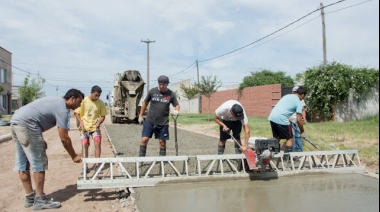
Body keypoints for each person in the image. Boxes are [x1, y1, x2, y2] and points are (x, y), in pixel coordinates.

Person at [10, 89, 84, 210]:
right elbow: (64, 138)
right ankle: (40, 200)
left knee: (22, 164)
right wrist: (74, 156)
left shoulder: (55, 101)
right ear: (72, 99)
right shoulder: (62, 109)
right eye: (79, 102)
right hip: (27, 125)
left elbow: (36, 116)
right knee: (39, 162)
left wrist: (38, 139)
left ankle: (30, 198)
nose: (79, 105)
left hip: (16, 123)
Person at [138, 75, 180, 157]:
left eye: (163, 84)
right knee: (144, 139)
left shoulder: (170, 94)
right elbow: (145, 103)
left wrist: (176, 110)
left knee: (162, 142)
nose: (161, 86)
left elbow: (177, 105)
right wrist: (140, 115)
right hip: (150, 120)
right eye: (159, 84)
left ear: (167, 84)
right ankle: (141, 159)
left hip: (163, 122)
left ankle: (162, 161)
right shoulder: (152, 91)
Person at [268, 86, 307, 159]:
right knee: (290, 138)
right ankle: (286, 158)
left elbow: (283, 107)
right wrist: (302, 131)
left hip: (272, 117)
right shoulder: (299, 102)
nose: (303, 98)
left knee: (277, 137)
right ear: (302, 95)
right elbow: (298, 120)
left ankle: (271, 155)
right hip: (282, 118)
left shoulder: (287, 96)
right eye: (303, 97)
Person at [74, 85, 107, 172]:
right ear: (91, 93)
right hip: (84, 127)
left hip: (95, 127)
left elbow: (103, 116)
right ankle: (85, 166)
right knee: (85, 145)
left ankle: (97, 164)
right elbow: (76, 113)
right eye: (96, 95)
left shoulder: (101, 103)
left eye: (99, 96)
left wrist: (99, 123)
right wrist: (80, 122)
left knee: (97, 143)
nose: (97, 97)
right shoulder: (83, 101)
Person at [289, 85, 307, 152]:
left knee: (298, 136)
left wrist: (304, 118)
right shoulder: (291, 99)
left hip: (297, 119)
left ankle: (299, 151)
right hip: (291, 119)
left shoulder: (301, 100)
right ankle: (293, 152)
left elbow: (303, 110)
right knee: (292, 136)